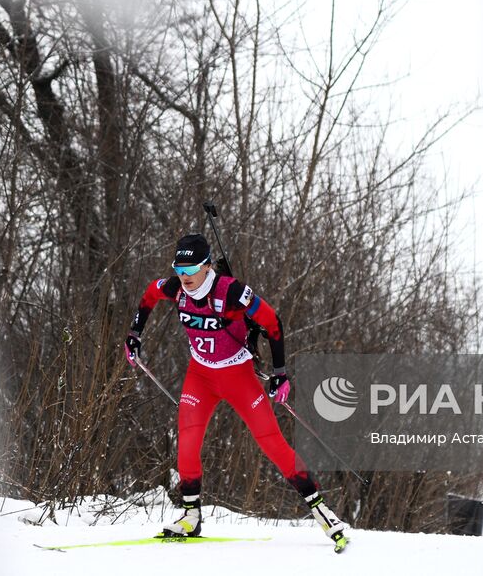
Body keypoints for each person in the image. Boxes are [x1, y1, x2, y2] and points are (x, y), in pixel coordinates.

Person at [124, 233, 348, 550]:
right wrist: (134, 335)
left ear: (205, 266)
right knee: (187, 440)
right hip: (199, 376)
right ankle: (190, 515)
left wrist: (281, 374)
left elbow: (272, 323)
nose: (184, 277)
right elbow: (149, 295)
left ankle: (321, 510)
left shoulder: (231, 292)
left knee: (271, 441)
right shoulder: (176, 289)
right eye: (179, 270)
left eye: (190, 270)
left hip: (238, 375)